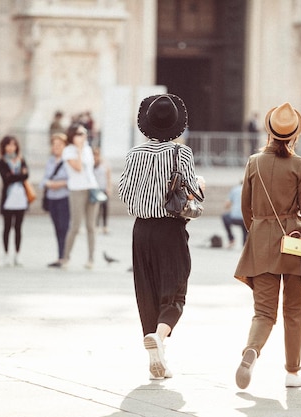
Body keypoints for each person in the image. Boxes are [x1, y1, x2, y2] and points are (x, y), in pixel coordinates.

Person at [233, 102, 301, 390]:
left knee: (263, 312)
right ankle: (292, 373)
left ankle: (252, 350)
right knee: (294, 311)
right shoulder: (299, 165)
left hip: (261, 243)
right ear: (294, 136)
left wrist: (258, 234)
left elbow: (245, 207)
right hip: (293, 244)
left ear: (269, 132)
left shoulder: (254, 162)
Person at [118, 94, 205, 380]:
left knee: (147, 291)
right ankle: (160, 335)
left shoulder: (134, 154)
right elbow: (195, 191)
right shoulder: (182, 154)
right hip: (171, 229)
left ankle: (158, 355)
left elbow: (124, 192)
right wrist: (199, 185)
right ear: (175, 125)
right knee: (175, 291)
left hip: (141, 229)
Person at [62, 122, 100, 269]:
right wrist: (78, 150)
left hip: (91, 188)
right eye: (79, 134)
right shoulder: (68, 151)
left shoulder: (88, 149)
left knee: (91, 226)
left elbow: (90, 170)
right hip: (77, 189)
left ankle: (91, 258)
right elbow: (77, 168)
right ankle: (66, 257)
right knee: (76, 226)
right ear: (72, 136)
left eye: (84, 133)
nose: (83, 136)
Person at [0, 136, 30, 266]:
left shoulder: (21, 160)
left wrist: (14, 176)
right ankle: (6, 253)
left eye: (13, 145)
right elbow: (7, 179)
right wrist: (19, 176)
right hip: (8, 198)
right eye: (8, 145)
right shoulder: (2, 162)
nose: (11, 148)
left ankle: (17, 253)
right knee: (7, 227)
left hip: (20, 197)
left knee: (18, 227)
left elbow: (26, 175)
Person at [40, 133, 70, 267]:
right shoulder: (50, 161)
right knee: (57, 228)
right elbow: (44, 181)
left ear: (65, 146)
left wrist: (55, 184)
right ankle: (60, 256)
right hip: (52, 198)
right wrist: (54, 183)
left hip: (64, 198)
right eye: (54, 145)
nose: (56, 147)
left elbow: (70, 180)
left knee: (64, 228)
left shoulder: (68, 160)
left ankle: (64, 256)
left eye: (59, 145)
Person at [222, 181, 247, 247]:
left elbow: (227, 205)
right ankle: (245, 244)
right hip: (245, 219)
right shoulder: (251, 190)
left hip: (234, 218)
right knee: (245, 226)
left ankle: (231, 239)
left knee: (224, 216)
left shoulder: (235, 189)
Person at [93, 146, 111, 234]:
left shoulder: (104, 164)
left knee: (104, 208)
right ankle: (96, 225)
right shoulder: (91, 165)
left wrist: (109, 187)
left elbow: (108, 177)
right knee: (96, 209)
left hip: (103, 189)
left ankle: (105, 226)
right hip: (95, 189)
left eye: (97, 155)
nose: (95, 157)